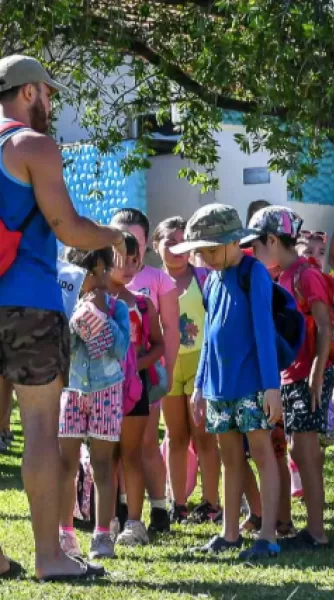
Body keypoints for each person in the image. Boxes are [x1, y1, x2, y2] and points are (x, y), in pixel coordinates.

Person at [0, 54, 127, 581]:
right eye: (48, 94)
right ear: (28, 92)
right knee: (39, 432)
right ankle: (50, 556)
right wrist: (114, 237)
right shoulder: (32, 145)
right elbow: (68, 227)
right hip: (28, 301)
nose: (51, 105)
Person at [172, 204, 283, 561]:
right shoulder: (211, 279)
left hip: (252, 385)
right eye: (198, 252)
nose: (202, 258)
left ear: (233, 242)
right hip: (219, 388)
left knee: (262, 454)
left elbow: (265, 333)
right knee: (230, 458)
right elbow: (208, 338)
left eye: (207, 249)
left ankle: (268, 535)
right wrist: (202, 385)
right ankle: (229, 533)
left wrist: (271, 386)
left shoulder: (255, 274)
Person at [245, 206, 334, 550]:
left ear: (272, 239)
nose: (254, 253)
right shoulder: (281, 275)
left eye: (257, 245)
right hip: (289, 377)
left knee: (306, 451)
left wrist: (315, 372)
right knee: (300, 450)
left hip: (308, 376)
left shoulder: (305, 274)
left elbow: (325, 326)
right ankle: (310, 528)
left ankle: (317, 532)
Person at [56, 246, 130, 560]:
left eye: (99, 272)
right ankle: (65, 534)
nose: (95, 281)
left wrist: (101, 315)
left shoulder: (118, 308)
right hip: (72, 391)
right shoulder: (64, 305)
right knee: (65, 465)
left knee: (102, 465)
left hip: (107, 391)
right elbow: (63, 348)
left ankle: (102, 536)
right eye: (88, 274)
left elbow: (120, 348)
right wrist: (75, 317)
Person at [110, 209, 179, 534]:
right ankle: (116, 512)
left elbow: (167, 334)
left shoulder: (153, 283)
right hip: (104, 387)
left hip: (142, 383)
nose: (126, 252)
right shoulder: (96, 289)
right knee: (111, 451)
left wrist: (162, 372)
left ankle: (158, 509)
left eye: (134, 243)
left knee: (144, 445)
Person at [152, 217, 222, 525]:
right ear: (156, 246)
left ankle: (211, 502)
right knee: (175, 436)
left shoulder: (204, 277)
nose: (177, 248)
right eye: (170, 242)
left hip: (201, 363)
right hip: (167, 365)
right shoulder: (152, 280)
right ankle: (177, 503)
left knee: (204, 436)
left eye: (183, 241)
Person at [107, 233, 165, 546]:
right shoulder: (94, 300)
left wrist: (136, 365)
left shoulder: (142, 303)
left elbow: (158, 344)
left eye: (134, 260)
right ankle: (107, 520)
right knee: (107, 456)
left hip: (134, 389)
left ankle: (134, 523)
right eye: (121, 259)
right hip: (99, 389)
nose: (129, 266)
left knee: (131, 454)